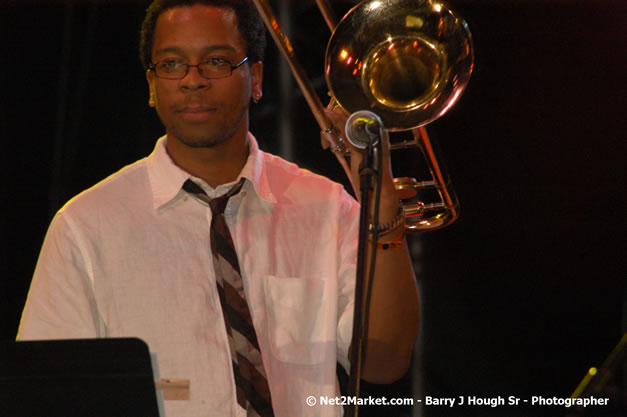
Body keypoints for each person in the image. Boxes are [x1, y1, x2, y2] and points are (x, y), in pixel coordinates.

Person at [17, 1, 419, 416]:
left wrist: (383, 210)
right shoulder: (85, 226)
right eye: (172, 63)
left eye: (216, 61)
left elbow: (385, 365)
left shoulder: (325, 206)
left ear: (256, 78)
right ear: (152, 86)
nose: (193, 81)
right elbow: (49, 396)